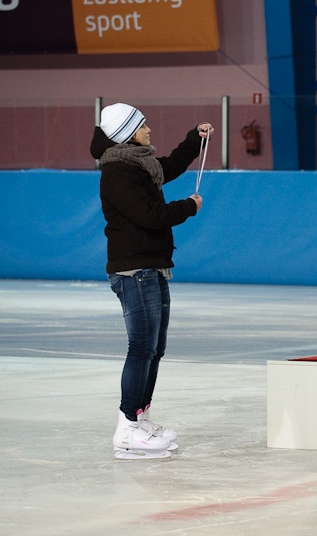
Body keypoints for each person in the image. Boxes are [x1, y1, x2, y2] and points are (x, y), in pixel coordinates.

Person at [90, 103, 212, 459]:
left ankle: (140, 417)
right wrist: (188, 207)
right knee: (141, 348)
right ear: (128, 132)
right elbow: (150, 215)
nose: (149, 130)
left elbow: (169, 166)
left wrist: (194, 140)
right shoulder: (118, 172)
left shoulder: (138, 164)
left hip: (153, 267)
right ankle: (127, 425)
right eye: (143, 125)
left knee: (154, 349)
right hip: (134, 271)